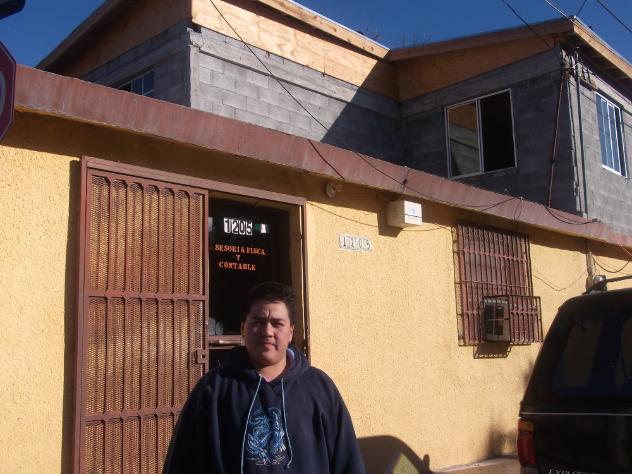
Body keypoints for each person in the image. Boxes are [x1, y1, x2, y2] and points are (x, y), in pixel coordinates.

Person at [164, 281, 366, 474]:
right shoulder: (213, 389)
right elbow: (183, 463)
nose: (267, 332)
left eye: (277, 324)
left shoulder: (320, 388)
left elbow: (347, 462)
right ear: (243, 328)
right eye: (258, 322)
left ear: (291, 332)